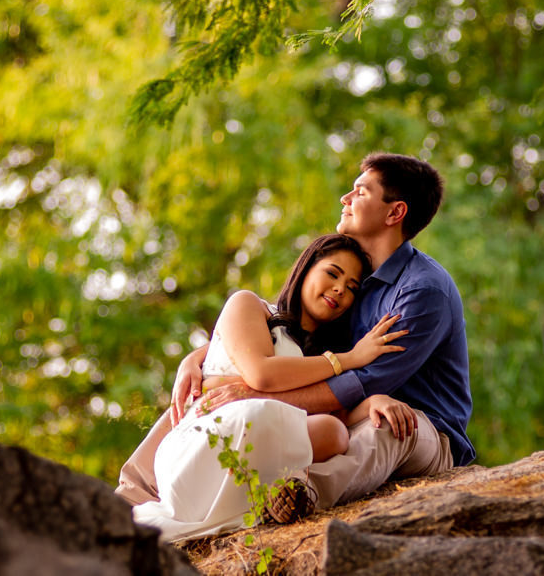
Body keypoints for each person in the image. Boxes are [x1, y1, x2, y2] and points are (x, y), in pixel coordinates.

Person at [117, 153, 473, 517]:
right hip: (347, 410)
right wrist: (198, 359)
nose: (345, 199)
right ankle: (133, 492)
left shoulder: (422, 291)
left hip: (418, 425)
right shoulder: (355, 283)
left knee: (389, 425)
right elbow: (277, 329)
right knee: (209, 392)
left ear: (394, 213)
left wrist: (251, 389)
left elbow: (363, 381)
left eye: (360, 192)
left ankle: (300, 493)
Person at [129, 234, 417, 542]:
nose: (339, 289)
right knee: (317, 426)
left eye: (351, 288)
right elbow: (261, 374)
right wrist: (348, 359)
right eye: (332, 274)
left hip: (252, 456)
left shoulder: (313, 358)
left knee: (333, 432)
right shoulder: (248, 305)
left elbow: (333, 410)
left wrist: (374, 401)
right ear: (305, 269)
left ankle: (264, 505)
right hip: (201, 446)